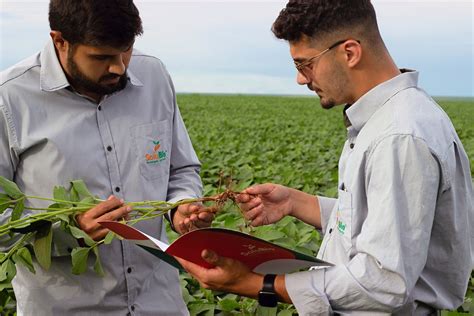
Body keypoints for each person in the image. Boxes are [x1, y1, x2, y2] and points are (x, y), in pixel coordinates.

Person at [177, 0, 473, 314]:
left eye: (305, 64)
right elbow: (378, 225)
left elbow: (383, 280)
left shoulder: (399, 136)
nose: (301, 80)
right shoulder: (390, 119)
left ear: (349, 52)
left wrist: (253, 284)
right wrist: (294, 202)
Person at [0, 0, 212, 315]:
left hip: (159, 302)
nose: (119, 67)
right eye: (102, 57)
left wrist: (181, 207)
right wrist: (69, 233)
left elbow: (181, 169)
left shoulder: (153, 75)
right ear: (60, 40)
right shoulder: (10, 98)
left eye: (126, 51)